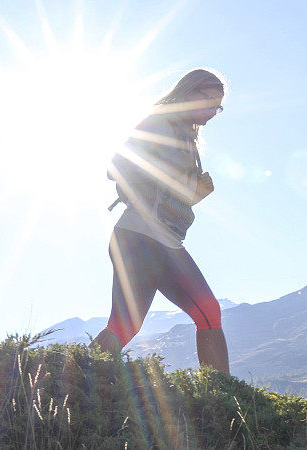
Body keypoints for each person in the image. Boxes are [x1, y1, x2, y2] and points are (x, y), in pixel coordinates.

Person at [90, 68, 230, 375]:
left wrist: (194, 191)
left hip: (150, 235)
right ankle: (221, 398)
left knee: (125, 325)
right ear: (189, 92)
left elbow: (171, 193)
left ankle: (70, 375)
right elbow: (117, 165)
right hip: (145, 234)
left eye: (217, 106)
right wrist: (173, 181)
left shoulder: (183, 135)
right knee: (207, 310)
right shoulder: (159, 123)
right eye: (208, 101)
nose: (212, 112)